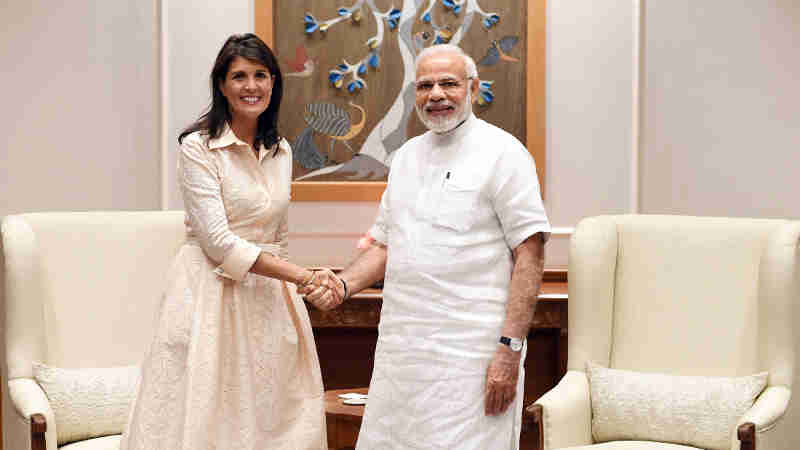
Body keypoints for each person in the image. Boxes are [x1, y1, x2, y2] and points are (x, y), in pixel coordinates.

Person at [301, 43, 550, 449]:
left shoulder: (505, 153)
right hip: (403, 352)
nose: (436, 94)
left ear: (473, 88)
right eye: (425, 85)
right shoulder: (405, 158)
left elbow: (531, 252)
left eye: (448, 83)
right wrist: (342, 286)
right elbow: (385, 244)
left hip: (473, 356)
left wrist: (510, 350)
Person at [121, 33, 342, 450]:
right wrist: (302, 277)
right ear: (221, 85)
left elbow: (278, 236)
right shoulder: (198, 147)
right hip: (210, 292)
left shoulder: (281, 150)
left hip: (270, 298)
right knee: (207, 414)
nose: (251, 86)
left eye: (261, 75)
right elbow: (219, 243)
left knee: (275, 415)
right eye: (239, 76)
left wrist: (299, 285)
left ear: (274, 83)